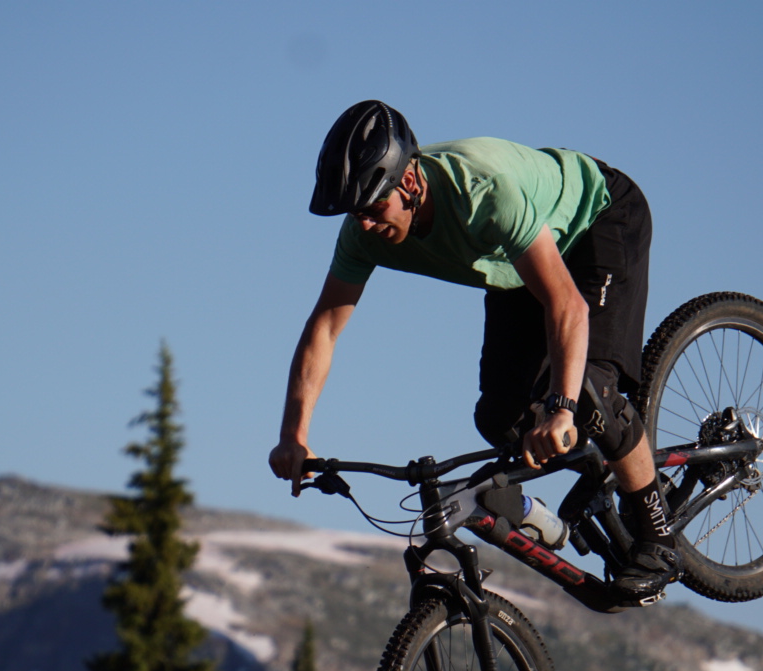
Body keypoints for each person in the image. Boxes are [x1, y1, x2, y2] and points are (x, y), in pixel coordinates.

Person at [268, 100, 679, 598]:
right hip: (515, 266)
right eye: (357, 214)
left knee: (588, 391)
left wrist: (564, 408)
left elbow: (567, 306)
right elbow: (323, 331)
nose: (367, 226)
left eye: (375, 210)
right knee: (501, 421)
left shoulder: (483, 194)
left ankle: (658, 539)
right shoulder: (362, 233)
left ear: (412, 184)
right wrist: (295, 435)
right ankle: (585, 473)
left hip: (597, 219)